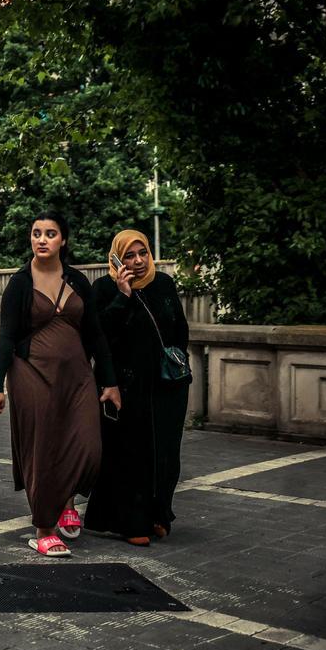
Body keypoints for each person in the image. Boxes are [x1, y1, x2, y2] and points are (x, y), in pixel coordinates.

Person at [0, 211, 122, 557]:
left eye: (50, 233)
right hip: (31, 375)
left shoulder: (78, 281)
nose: (41, 239)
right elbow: (6, 338)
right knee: (43, 449)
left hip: (77, 377)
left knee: (88, 447)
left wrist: (109, 381)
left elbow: (95, 334)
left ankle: (66, 499)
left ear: (63, 240)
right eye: (36, 233)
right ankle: (44, 528)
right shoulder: (20, 283)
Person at [85, 230, 190, 545]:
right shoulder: (104, 288)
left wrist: (174, 361)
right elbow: (99, 336)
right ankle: (132, 523)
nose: (138, 261)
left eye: (142, 253)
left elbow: (179, 329)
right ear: (117, 258)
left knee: (167, 454)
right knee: (131, 455)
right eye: (129, 255)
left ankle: (159, 514)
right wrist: (123, 295)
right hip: (126, 386)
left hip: (167, 385)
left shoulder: (164, 284)